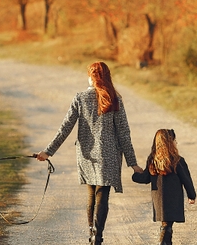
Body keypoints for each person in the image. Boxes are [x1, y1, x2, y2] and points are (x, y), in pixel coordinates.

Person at [36, 61, 143, 245]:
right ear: (107, 76)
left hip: (87, 154)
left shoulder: (80, 98)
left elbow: (65, 128)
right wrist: (133, 163)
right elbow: (124, 132)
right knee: (103, 194)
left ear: (91, 77)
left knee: (91, 194)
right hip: (108, 155)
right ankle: (97, 236)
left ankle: (91, 232)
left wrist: (48, 152)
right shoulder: (115, 98)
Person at [132, 129, 196, 245]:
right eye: (174, 140)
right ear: (170, 142)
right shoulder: (178, 160)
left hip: (159, 200)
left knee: (166, 223)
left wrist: (135, 176)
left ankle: (166, 242)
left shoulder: (153, 160)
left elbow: (146, 178)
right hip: (173, 199)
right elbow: (186, 180)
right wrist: (192, 195)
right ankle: (163, 242)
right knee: (167, 224)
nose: (176, 142)